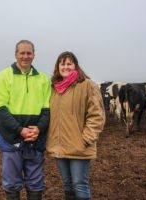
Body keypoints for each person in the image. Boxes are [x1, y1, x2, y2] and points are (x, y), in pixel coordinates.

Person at [0, 40, 51, 200]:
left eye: (29, 53)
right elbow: (0, 109)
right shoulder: (3, 76)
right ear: (16, 54)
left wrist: (38, 129)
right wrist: (20, 130)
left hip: (35, 138)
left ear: (34, 55)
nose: (25, 56)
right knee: (11, 183)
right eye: (22, 53)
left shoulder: (44, 80)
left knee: (36, 183)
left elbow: (47, 110)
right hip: (11, 138)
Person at [46, 51, 105, 200]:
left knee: (79, 184)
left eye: (69, 63)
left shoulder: (87, 85)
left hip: (79, 145)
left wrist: (86, 139)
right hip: (58, 145)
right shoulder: (53, 88)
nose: (65, 66)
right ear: (57, 67)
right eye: (62, 63)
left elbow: (97, 115)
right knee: (67, 184)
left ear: (75, 66)